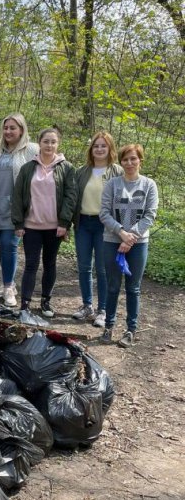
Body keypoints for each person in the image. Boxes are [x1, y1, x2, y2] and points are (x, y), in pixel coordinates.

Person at [12, 127, 77, 317]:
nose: (49, 145)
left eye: (53, 142)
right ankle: (24, 304)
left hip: (55, 228)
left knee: (50, 263)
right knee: (31, 264)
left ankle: (46, 301)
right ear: (39, 143)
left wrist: (64, 223)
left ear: (58, 144)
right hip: (31, 226)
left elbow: (70, 196)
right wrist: (18, 223)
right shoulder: (28, 168)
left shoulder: (66, 168)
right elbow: (17, 197)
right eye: (46, 141)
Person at [99, 143, 158, 348]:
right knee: (113, 286)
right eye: (125, 159)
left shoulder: (149, 184)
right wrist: (121, 233)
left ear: (140, 160)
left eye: (134, 158)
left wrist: (131, 237)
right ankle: (108, 326)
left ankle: (131, 330)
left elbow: (150, 214)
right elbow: (104, 213)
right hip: (111, 241)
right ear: (120, 162)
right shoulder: (112, 184)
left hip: (138, 244)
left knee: (133, 288)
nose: (130, 163)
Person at [0, 113, 38, 307]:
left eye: (12, 128)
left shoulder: (31, 150)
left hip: (16, 209)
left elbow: (49, 164)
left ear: (21, 130)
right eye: (6, 128)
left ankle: (8, 287)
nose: (8, 131)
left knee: (9, 245)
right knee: (3, 247)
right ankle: (9, 282)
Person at [71, 131, 123, 327]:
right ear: (91, 149)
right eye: (96, 146)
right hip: (84, 223)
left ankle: (102, 310)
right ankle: (87, 306)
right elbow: (73, 199)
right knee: (84, 267)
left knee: (102, 269)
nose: (99, 149)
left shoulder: (117, 171)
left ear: (110, 149)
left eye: (103, 146)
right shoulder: (82, 171)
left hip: (106, 226)